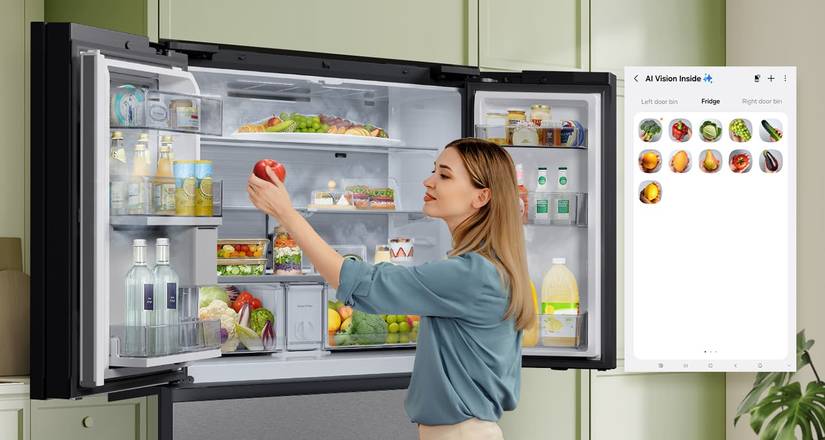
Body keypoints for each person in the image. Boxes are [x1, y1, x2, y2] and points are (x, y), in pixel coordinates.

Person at [247, 138, 535, 440]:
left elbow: (358, 282)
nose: (429, 181)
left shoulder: (471, 274)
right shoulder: (486, 267)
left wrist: (287, 214)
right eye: (434, 170)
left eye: (444, 175)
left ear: (481, 196)